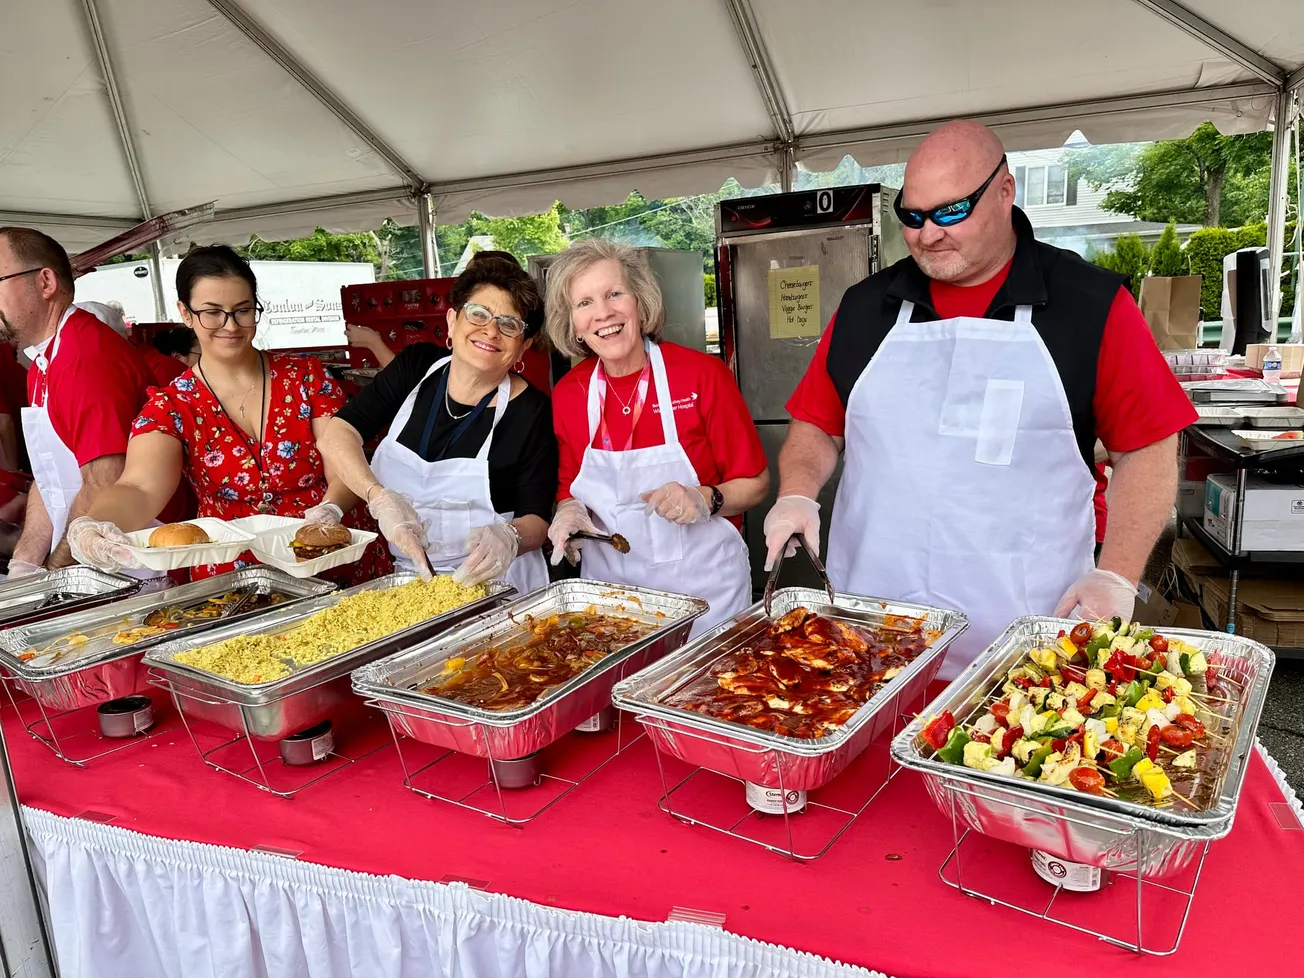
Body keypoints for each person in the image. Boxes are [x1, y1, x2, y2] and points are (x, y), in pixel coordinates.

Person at [766, 121, 1195, 679]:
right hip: (870, 633)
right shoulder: (865, 307)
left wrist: (1115, 576)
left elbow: (1148, 447)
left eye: (950, 213)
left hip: (1023, 641)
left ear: (1005, 191)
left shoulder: (1090, 305)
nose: (927, 235)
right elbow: (817, 425)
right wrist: (799, 494)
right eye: (912, 217)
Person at [66, 246, 356, 579]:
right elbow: (139, 487)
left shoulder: (306, 378)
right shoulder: (172, 406)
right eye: (212, 312)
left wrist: (331, 509)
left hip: (329, 556)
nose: (230, 325)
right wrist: (96, 525)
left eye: (243, 310)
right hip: (236, 578)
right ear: (185, 313)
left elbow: (343, 462)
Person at [544, 239, 769, 637]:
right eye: (585, 303)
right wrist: (568, 512)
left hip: (706, 595)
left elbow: (755, 484)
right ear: (573, 324)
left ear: (640, 302)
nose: (604, 313)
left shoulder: (702, 375)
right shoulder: (569, 394)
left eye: (615, 294)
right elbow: (568, 486)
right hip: (611, 600)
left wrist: (705, 498)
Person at [318, 254, 556, 591]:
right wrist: (371, 499)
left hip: (499, 584)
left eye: (509, 324)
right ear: (452, 320)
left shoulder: (532, 411)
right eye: (478, 314)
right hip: (409, 582)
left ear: (523, 347)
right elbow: (338, 434)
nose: (490, 330)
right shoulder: (415, 368)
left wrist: (510, 538)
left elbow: (537, 518)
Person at [0, 227, 161, 577]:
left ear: (45, 282)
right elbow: (50, 480)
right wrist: (25, 566)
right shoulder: (41, 362)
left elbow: (106, 481)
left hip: (133, 566)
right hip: (89, 562)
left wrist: (57, 571)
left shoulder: (86, 360)